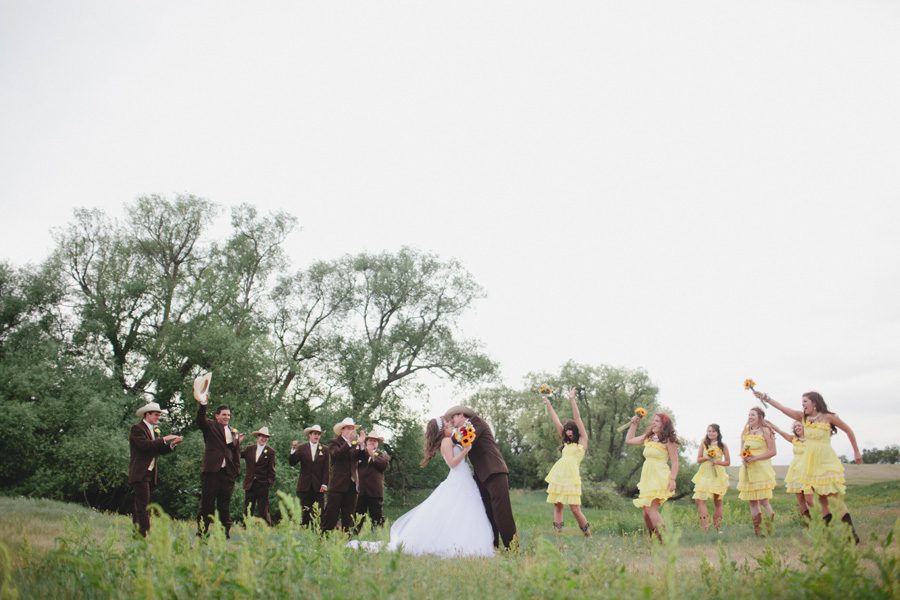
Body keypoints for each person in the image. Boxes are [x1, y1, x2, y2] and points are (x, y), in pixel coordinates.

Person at [348, 417, 494, 558]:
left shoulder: (451, 440)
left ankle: (464, 540)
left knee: (461, 512)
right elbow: (452, 463)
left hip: (463, 478)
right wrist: (466, 449)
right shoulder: (446, 441)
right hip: (458, 479)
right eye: (447, 424)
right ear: (442, 429)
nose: (450, 424)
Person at [755, 390, 861, 542]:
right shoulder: (802, 418)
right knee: (822, 500)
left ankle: (851, 536)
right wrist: (766, 398)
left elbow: (849, 431)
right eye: (802, 402)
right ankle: (825, 537)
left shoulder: (829, 417)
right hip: (810, 463)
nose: (802, 404)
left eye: (805, 401)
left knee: (835, 499)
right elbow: (783, 408)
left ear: (815, 403)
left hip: (825, 461)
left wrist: (856, 451)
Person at [444, 405, 517, 549]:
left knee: (502, 512)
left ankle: (512, 548)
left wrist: (447, 435)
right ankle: (493, 546)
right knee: (488, 512)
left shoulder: (476, 423)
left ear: (461, 414)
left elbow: (466, 440)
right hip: (481, 475)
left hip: (495, 471)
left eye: (453, 418)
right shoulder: (463, 429)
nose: (451, 421)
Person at [195, 374, 244, 538]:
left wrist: (236, 470)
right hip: (211, 472)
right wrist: (203, 403)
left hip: (227, 474)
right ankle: (202, 532)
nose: (227, 417)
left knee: (224, 505)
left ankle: (225, 534)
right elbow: (200, 419)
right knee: (207, 504)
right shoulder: (210, 426)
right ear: (217, 416)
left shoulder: (233, 431)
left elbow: (235, 452)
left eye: (229, 415)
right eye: (224, 414)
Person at [541, 387, 591, 536]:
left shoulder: (582, 441)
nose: (568, 431)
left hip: (572, 477)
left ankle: (588, 534)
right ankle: (558, 536)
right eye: (567, 429)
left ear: (576, 431)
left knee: (575, 509)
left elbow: (578, 419)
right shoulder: (566, 443)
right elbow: (556, 421)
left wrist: (572, 400)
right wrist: (549, 405)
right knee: (558, 506)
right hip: (559, 475)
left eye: (571, 429)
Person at [128, 402, 183, 536]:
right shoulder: (137, 428)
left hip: (150, 474)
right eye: (156, 414)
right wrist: (165, 438)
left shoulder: (152, 430)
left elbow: (157, 449)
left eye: (159, 415)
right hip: (139, 472)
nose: (158, 417)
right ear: (147, 414)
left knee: (140, 505)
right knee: (143, 505)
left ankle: (137, 533)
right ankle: (144, 533)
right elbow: (144, 446)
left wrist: (172, 445)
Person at [625, 412, 679, 539]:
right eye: (653, 420)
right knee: (645, 513)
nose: (654, 423)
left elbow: (675, 462)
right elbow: (629, 440)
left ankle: (666, 539)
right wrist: (633, 425)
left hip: (660, 477)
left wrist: (672, 479)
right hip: (647, 478)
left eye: (657, 421)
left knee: (651, 510)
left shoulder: (668, 441)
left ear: (664, 425)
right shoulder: (649, 437)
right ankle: (655, 539)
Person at [737, 407, 777, 536]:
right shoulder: (746, 432)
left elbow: (772, 451)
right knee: (752, 501)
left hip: (761, 469)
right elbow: (742, 449)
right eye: (749, 415)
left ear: (760, 417)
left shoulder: (765, 431)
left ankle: (769, 528)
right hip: (749, 470)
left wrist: (755, 458)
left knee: (763, 501)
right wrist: (744, 458)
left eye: (753, 415)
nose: (750, 417)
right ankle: (758, 532)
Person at [321, 418, 363, 533]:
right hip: (337, 484)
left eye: (352, 428)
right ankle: (324, 538)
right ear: (342, 430)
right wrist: (348, 442)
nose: (351, 431)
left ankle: (347, 541)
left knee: (349, 516)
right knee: (331, 513)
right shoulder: (333, 442)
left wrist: (362, 444)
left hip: (352, 484)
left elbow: (361, 459)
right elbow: (336, 454)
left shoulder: (355, 444)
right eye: (349, 428)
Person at [767, 419, 813, 522]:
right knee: (801, 500)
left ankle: (819, 520)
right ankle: (808, 522)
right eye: (795, 427)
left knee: (809, 500)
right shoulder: (794, 439)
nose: (797, 427)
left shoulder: (811, 439)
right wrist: (770, 424)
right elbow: (780, 431)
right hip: (796, 472)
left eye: (799, 425)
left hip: (808, 471)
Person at [691, 423, 730, 532]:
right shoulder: (704, 444)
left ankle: (717, 527)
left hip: (717, 475)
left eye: (713, 431)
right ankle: (705, 528)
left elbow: (727, 462)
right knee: (699, 500)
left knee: (718, 502)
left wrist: (717, 461)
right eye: (709, 431)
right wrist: (707, 457)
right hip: (704, 474)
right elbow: (698, 459)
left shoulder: (723, 445)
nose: (711, 433)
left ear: (718, 433)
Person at [289, 424, 329, 528]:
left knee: (318, 513)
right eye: (315, 434)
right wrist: (293, 449)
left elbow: (326, 469)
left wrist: (325, 484)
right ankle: (303, 534)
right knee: (304, 513)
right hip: (304, 486)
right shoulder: (302, 447)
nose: (317, 436)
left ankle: (316, 535)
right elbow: (292, 462)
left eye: (319, 434)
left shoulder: (324, 449)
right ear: (310, 435)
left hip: (319, 487)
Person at [354, 429, 390, 533]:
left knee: (377, 518)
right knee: (358, 517)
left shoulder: (382, 455)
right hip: (361, 492)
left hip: (375, 492)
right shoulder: (361, 454)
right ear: (366, 442)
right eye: (370, 440)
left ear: (377, 443)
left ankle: (377, 538)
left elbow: (382, 465)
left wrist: (370, 452)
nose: (372, 442)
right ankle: (353, 537)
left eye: (374, 441)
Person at [241, 426, 276, 526]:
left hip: (263, 484)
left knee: (263, 508)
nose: (264, 438)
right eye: (262, 436)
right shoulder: (249, 449)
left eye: (266, 437)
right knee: (248, 506)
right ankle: (246, 526)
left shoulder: (270, 452)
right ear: (258, 436)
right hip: (250, 483)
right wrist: (236, 442)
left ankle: (266, 526)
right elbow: (238, 454)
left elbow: (272, 470)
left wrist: (269, 482)